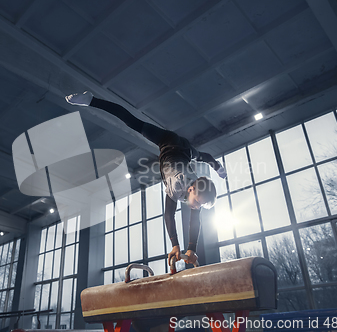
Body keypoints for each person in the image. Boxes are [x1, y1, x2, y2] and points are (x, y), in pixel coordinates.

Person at [65, 91, 226, 267]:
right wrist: (175, 245)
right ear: (191, 189)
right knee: (132, 122)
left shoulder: (197, 191)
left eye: (200, 205)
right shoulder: (178, 184)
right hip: (168, 142)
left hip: (186, 150)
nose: (196, 206)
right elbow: (169, 215)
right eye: (197, 202)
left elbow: (196, 221)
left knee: (203, 156)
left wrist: (191, 248)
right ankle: (91, 100)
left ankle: (218, 167)